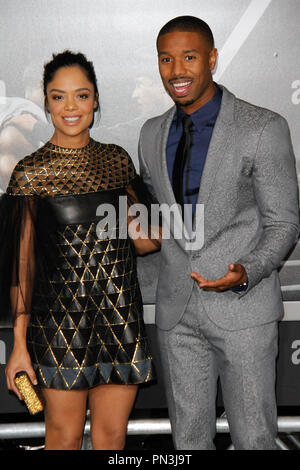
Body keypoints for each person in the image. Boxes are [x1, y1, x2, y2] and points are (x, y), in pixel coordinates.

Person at [138, 16, 299, 450]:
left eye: (189, 57)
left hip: (243, 307)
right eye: (166, 59)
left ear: (211, 58)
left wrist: (246, 270)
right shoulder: (151, 133)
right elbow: (161, 212)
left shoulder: (263, 127)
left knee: (254, 440)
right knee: (188, 443)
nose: (177, 71)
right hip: (177, 313)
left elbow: (284, 222)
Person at [2, 50, 158, 450]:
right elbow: (23, 267)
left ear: (96, 100)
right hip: (59, 326)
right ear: (46, 102)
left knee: (111, 439)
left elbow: (145, 241)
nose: (71, 107)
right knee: (63, 437)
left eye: (81, 95)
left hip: (119, 317)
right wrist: (19, 346)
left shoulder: (117, 161)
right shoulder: (30, 172)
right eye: (58, 97)